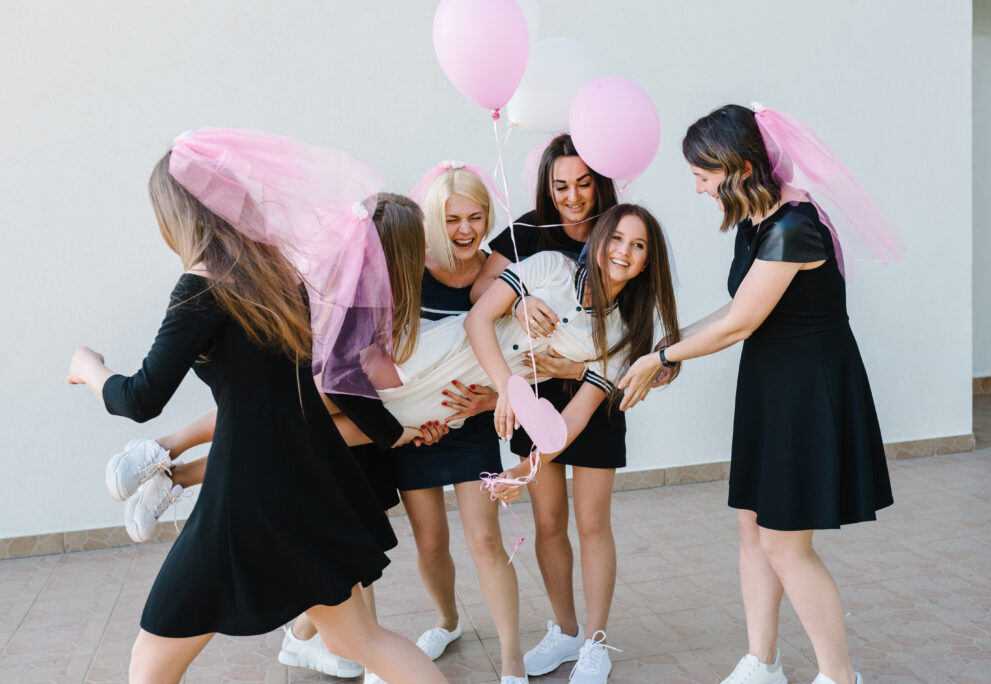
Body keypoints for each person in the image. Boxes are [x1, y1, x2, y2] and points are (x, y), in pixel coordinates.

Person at [67, 128, 445, 684]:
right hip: (308, 481)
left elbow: (140, 397)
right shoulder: (277, 274)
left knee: (149, 663)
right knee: (361, 639)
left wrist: (87, 368)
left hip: (244, 497)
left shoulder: (203, 287)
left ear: (179, 215)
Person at [617, 104, 897, 684]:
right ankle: (762, 662)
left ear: (740, 167)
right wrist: (672, 341)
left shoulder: (797, 225)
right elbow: (737, 310)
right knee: (753, 527)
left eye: (703, 176)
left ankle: (839, 676)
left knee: (787, 545)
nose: (697, 189)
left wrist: (660, 359)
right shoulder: (757, 221)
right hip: (771, 386)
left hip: (807, 392)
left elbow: (741, 323)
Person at [470, 133, 636, 683]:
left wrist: (589, 373)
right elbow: (479, 299)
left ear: (600, 182)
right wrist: (520, 298)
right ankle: (564, 631)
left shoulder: (622, 234)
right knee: (547, 521)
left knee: (592, 522)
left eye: (583, 184)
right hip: (534, 390)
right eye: (560, 185)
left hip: (593, 391)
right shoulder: (526, 235)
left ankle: (596, 641)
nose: (572, 196)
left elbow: (635, 329)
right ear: (546, 185)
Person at [387, 162, 526, 684]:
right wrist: (411, 419)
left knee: (485, 539)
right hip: (414, 429)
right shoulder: (409, 269)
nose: (466, 230)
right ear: (431, 221)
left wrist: (493, 396)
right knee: (428, 541)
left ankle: (512, 656)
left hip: (472, 422)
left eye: (476, 217)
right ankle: (446, 621)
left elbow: (515, 349)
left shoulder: (499, 270)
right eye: (452, 220)